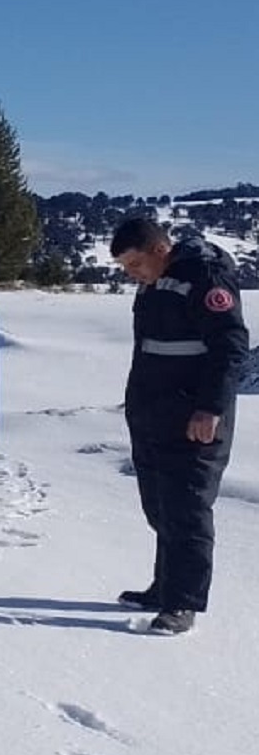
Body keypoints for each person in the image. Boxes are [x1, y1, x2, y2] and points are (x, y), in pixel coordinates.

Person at [109, 216, 247, 635]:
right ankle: (165, 585)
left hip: (195, 417)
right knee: (160, 505)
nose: (132, 276)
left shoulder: (205, 278)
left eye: (134, 265)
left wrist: (210, 408)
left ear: (159, 250)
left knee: (187, 509)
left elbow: (230, 348)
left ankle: (182, 602)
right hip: (154, 413)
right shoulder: (156, 281)